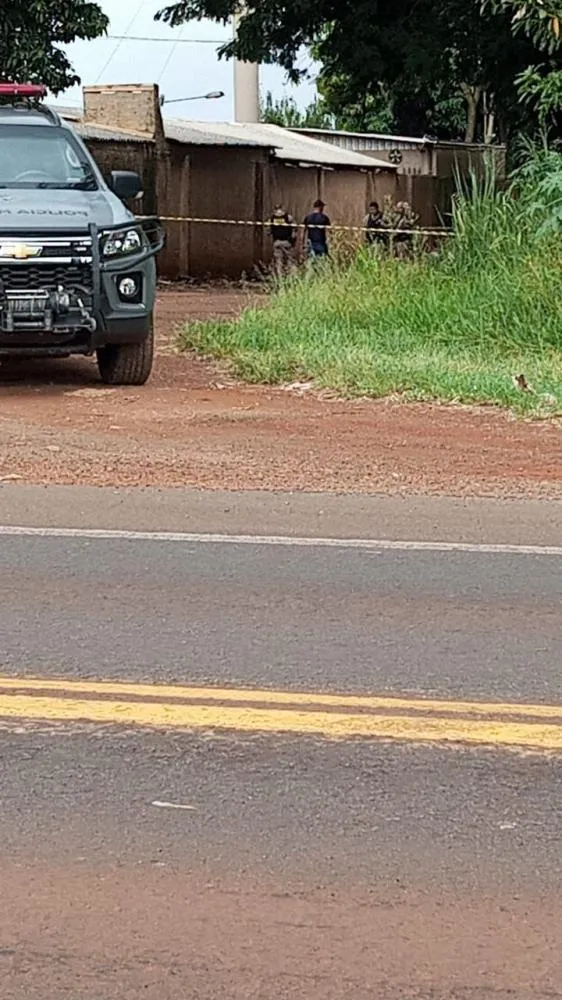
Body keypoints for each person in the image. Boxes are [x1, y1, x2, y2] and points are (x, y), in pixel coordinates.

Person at [269, 204, 296, 276]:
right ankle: (292, 276)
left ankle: (280, 277)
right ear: (282, 208)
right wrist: (293, 240)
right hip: (287, 242)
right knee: (290, 260)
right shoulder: (288, 217)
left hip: (277, 242)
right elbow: (294, 228)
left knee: (279, 261)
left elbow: (269, 231)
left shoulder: (272, 218)